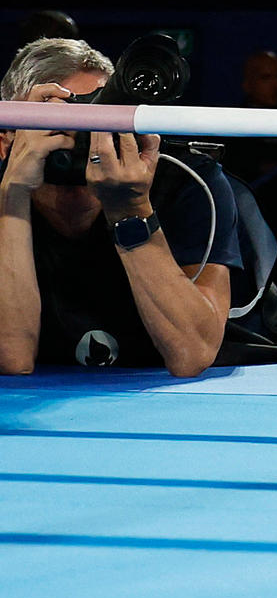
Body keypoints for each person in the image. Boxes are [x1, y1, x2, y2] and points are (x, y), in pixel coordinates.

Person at [0, 38, 241, 377]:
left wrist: (130, 208)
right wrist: (13, 193)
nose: (83, 136)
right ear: (6, 138)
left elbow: (193, 353)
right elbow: (11, 359)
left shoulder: (185, 181)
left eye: (99, 116)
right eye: (60, 120)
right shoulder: (4, 185)